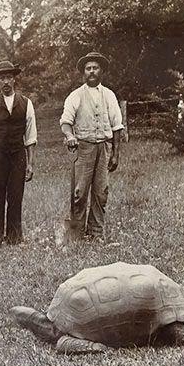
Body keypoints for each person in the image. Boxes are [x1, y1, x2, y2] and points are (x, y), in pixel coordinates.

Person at [59, 51, 124, 240]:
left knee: (101, 191)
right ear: (83, 73)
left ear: (101, 71)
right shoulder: (75, 96)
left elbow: (117, 126)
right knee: (79, 192)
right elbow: (65, 121)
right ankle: (76, 234)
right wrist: (70, 136)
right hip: (84, 149)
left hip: (104, 148)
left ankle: (96, 233)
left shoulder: (110, 95)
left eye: (95, 68)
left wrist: (115, 154)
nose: (92, 71)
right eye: (88, 68)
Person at [0, 60, 37, 248]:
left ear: (14, 80)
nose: (6, 82)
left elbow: (31, 136)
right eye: (2, 78)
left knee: (16, 196)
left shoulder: (26, 104)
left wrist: (30, 163)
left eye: (9, 77)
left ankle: (15, 239)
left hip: (18, 155)